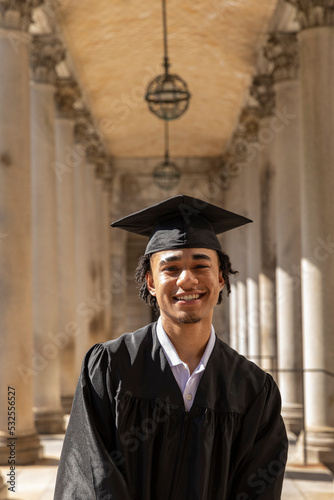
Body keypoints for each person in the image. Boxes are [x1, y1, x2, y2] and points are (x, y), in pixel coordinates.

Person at [54, 195, 287, 500]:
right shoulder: (111, 366)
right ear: (151, 282)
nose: (187, 280)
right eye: (171, 268)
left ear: (220, 278)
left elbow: (259, 489)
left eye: (200, 266)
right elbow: (89, 476)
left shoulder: (253, 389)